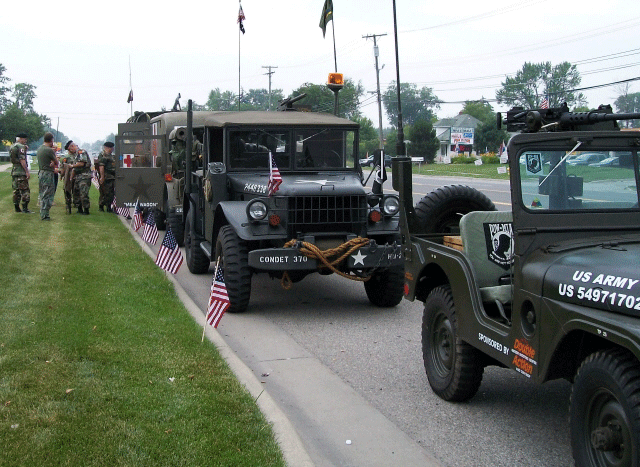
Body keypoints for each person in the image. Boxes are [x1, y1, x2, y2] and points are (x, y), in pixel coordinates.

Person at [36, 132, 58, 220]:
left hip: (41, 172)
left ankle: (43, 212)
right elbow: (56, 162)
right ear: (51, 140)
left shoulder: (40, 149)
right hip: (48, 173)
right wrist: (53, 162)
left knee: (42, 193)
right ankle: (45, 214)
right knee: (48, 194)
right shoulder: (49, 150)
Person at [10, 132, 31, 213]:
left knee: (16, 191)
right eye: (25, 139)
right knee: (25, 190)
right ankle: (25, 208)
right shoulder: (21, 147)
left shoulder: (13, 146)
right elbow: (22, 160)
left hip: (14, 170)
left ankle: (16, 207)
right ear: (21, 139)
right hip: (21, 171)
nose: (25, 141)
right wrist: (27, 171)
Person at [70, 145, 92, 215]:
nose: (70, 151)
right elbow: (75, 169)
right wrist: (71, 177)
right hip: (78, 176)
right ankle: (79, 209)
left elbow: (81, 163)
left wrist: (72, 166)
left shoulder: (81, 152)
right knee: (76, 193)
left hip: (84, 176)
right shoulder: (75, 155)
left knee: (83, 193)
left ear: (72, 147)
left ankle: (86, 209)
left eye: (70, 149)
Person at [96, 141, 116, 212]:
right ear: (107, 148)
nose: (113, 149)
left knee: (111, 193)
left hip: (112, 177)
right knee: (104, 192)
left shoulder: (111, 155)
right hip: (106, 176)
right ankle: (101, 206)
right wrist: (102, 177)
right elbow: (101, 166)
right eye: (111, 148)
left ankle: (108, 206)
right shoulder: (103, 155)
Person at [58, 141, 76, 214]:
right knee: (67, 191)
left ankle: (76, 204)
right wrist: (61, 175)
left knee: (76, 191)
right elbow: (62, 168)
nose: (75, 147)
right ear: (69, 148)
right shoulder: (66, 157)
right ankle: (68, 205)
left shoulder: (77, 156)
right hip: (68, 176)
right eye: (73, 146)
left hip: (76, 176)